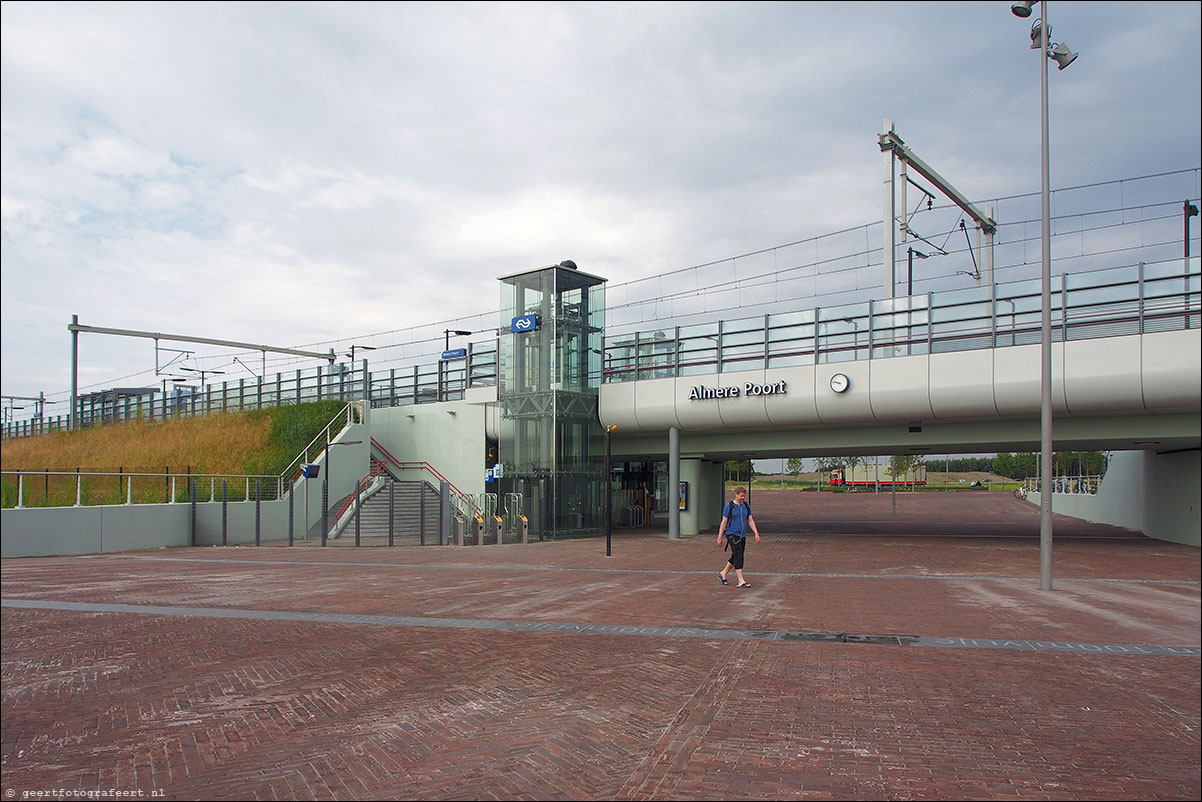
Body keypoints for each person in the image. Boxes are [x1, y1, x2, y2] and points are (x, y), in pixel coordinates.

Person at [717, 486, 761, 588]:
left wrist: (756, 533)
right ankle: (741, 581)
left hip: (742, 535)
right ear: (736, 495)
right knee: (739, 556)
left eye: (744, 496)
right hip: (732, 534)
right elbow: (724, 522)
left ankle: (723, 573)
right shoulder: (729, 506)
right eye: (741, 496)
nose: (742, 498)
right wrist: (720, 536)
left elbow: (750, 520)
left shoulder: (746, 506)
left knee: (736, 555)